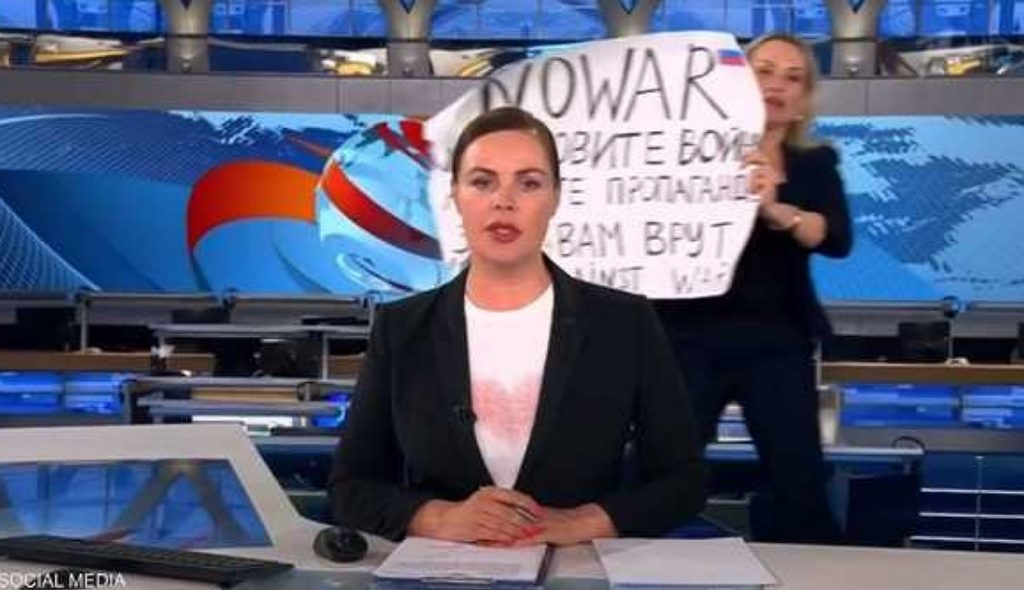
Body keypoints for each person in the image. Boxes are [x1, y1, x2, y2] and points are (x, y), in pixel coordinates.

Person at [329, 106, 706, 546]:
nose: (503, 201)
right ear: (455, 196)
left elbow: (684, 480)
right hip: (441, 573)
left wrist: (586, 522)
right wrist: (438, 518)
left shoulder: (624, 323)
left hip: (579, 571)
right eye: (482, 182)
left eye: (528, 183)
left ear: (556, 198)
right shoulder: (402, 328)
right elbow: (350, 486)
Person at [656, 33, 853, 544]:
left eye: (792, 77)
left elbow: (836, 238)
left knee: (798, 478)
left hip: (778, 339)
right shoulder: (685, 153)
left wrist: (778, 211)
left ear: (804, 97)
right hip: (689, 336)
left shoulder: (815, 162)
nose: (776, 85)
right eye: (764, 71)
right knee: (662, 471)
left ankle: (814, 574)